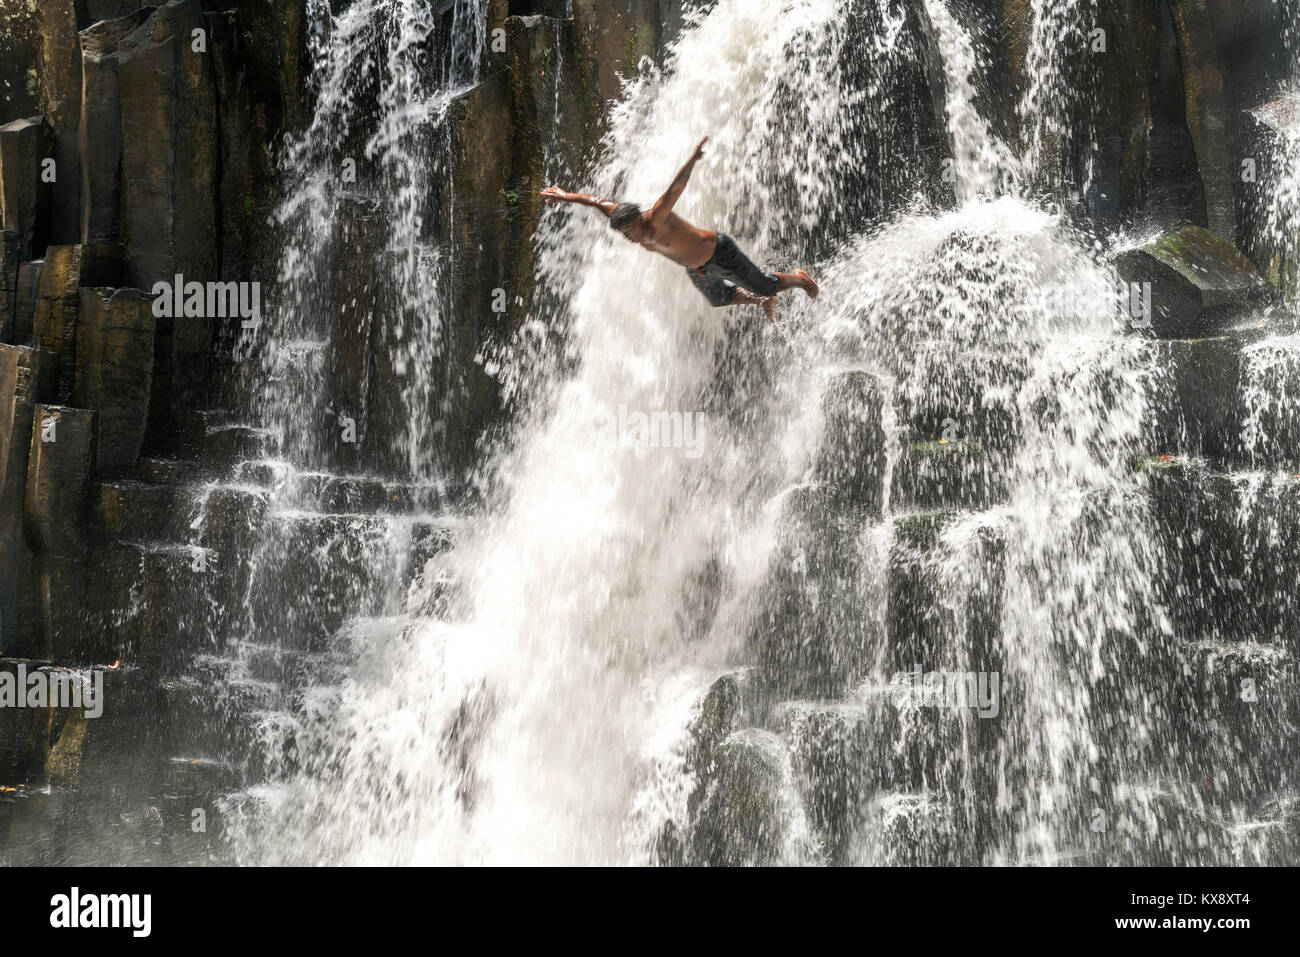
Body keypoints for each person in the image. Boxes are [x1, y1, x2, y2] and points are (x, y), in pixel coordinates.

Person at [541, 137, 818, 321]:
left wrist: (693, 159)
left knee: (766, 285)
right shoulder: (621, 215)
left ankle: (800, 279)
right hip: (697, 267)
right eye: (624, 236)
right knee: (718, 298)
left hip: (719, 253)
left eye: (628, 234)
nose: (628, 239)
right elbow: (595, 201)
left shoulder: (656, 217)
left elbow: (676, 188)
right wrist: (565, 195)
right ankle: (761, 303)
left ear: (638, 221)